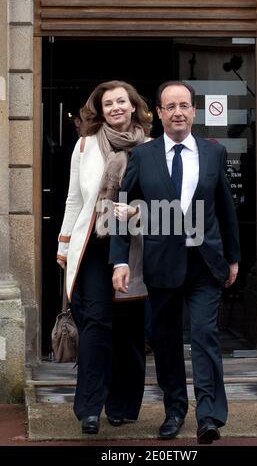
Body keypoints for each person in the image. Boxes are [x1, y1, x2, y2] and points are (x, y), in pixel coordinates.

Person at [111, 80, 240, 444]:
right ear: (160, 113)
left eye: (184, 105)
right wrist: (119, 260)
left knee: (204, 335)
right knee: (165, 340)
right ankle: (174, 410)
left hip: (205, 262)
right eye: (171, 106)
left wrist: (233, 259)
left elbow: (226, 210)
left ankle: (209, 416)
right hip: (162, 264)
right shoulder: (144, 156)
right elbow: (122, 212)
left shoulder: (213, 153)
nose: (178, 112)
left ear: (194, 111)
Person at [56, 80, 152, 434]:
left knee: (129, 329)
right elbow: (73, 199)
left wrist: (137, 212)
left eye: (121, 101)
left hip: (133, 247)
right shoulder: (84, 146)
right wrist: (64, 245)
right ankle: (90, 408)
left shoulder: (151, 148)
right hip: (94, 246)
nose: (115, 107)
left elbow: (165, 204)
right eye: (108, 103)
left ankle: (123, 406)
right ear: (101, 110)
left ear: (133, 106)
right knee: (96, 324)